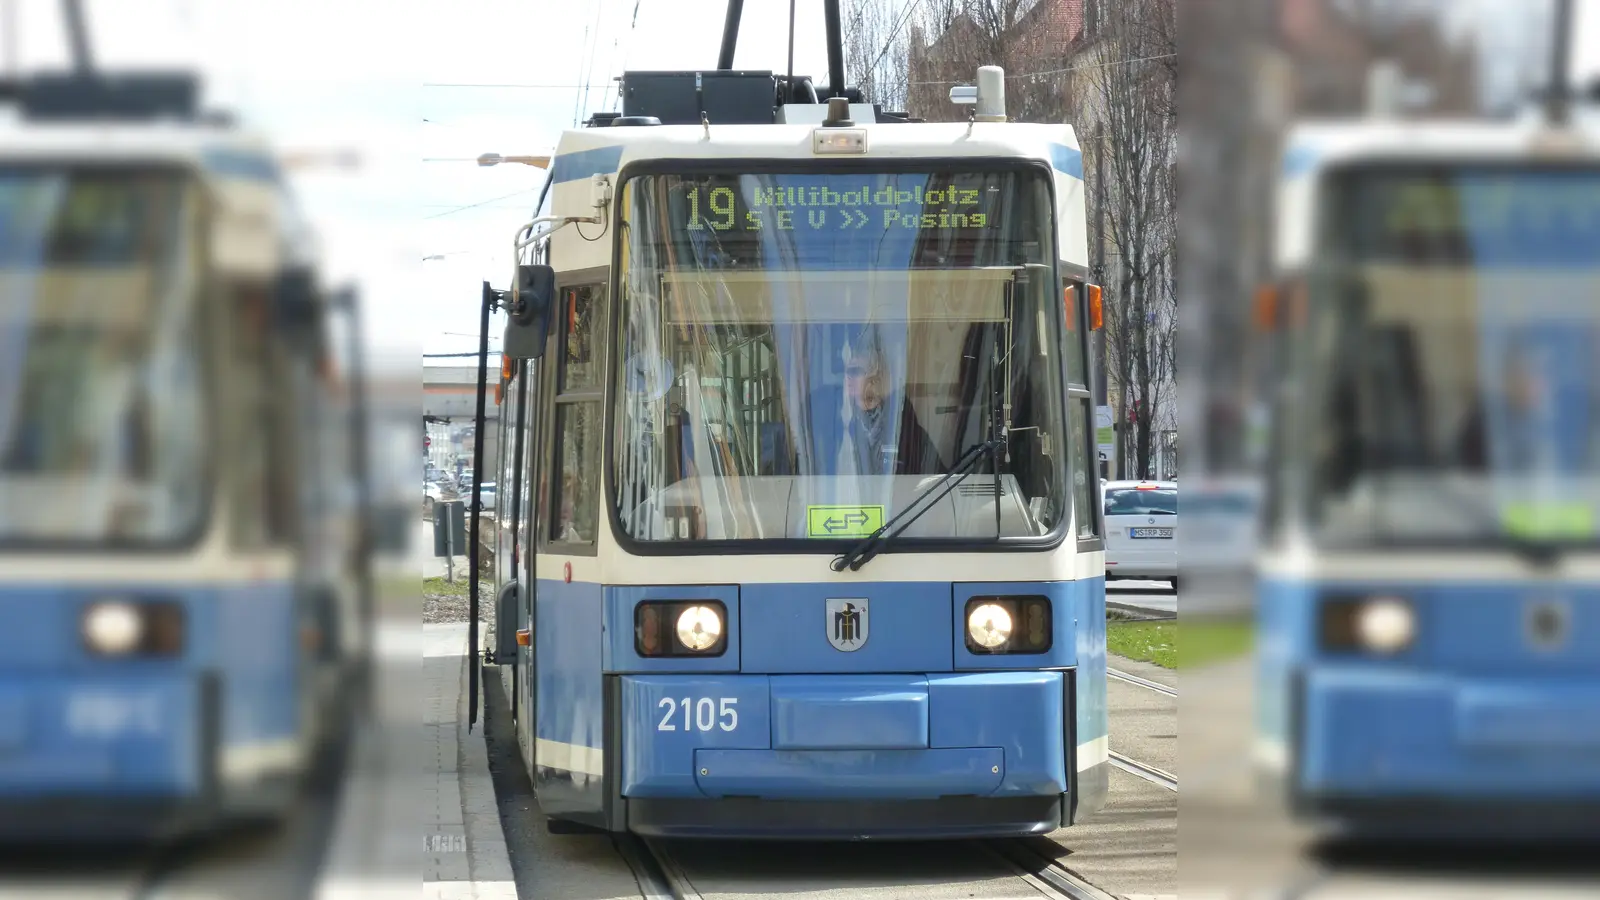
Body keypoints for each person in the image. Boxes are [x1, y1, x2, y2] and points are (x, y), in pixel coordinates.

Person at [812, 327, 945, 476]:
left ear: (875, 378)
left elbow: (935, 480)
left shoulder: (903, 425)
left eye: (855, 371)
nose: (846, 378)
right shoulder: (832, 423)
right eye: (842, 371)